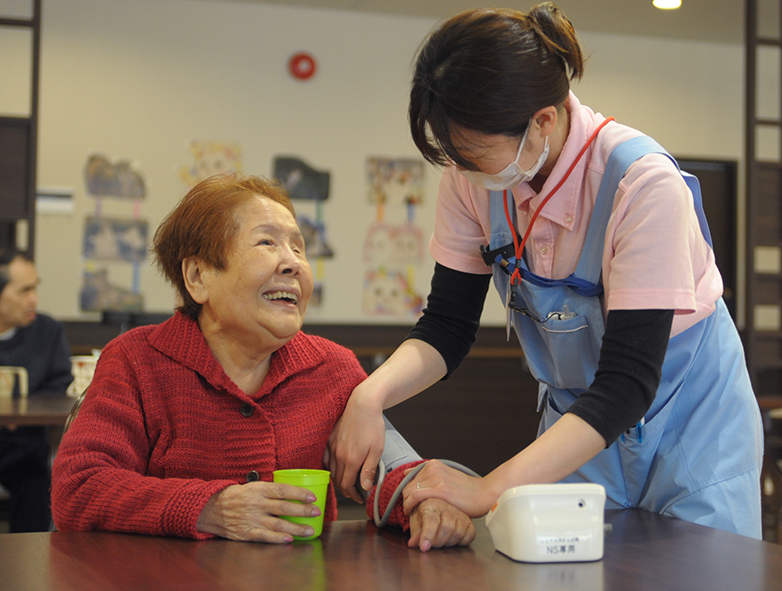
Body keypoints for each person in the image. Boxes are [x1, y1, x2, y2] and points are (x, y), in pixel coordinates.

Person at [328, 3, 764, 538]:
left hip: (689, 428)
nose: (463, 171)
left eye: (477, 154)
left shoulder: (642, 184)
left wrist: (487, 489)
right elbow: (447, 325)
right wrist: (368, 396)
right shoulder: (470, 181)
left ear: (543, 122)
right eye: (455, 154)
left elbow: (628, 383)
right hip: (578, 427)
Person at [51, 173, 474, 551]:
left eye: (299, 247)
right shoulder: (136, 361)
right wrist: (209, 507)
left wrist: (427, 504)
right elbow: (79, 486)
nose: (293, 263)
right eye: (267, 242)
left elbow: (390, 471)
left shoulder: (331, 367)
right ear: (198, 277)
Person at [0, 248, 73, 532]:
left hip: (23, 445)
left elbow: (58, 387)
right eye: (24, 291)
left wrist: (20, 415)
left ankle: (26, 566)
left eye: (35, 288)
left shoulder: (48, 331)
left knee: (36, 486)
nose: (34, 300)